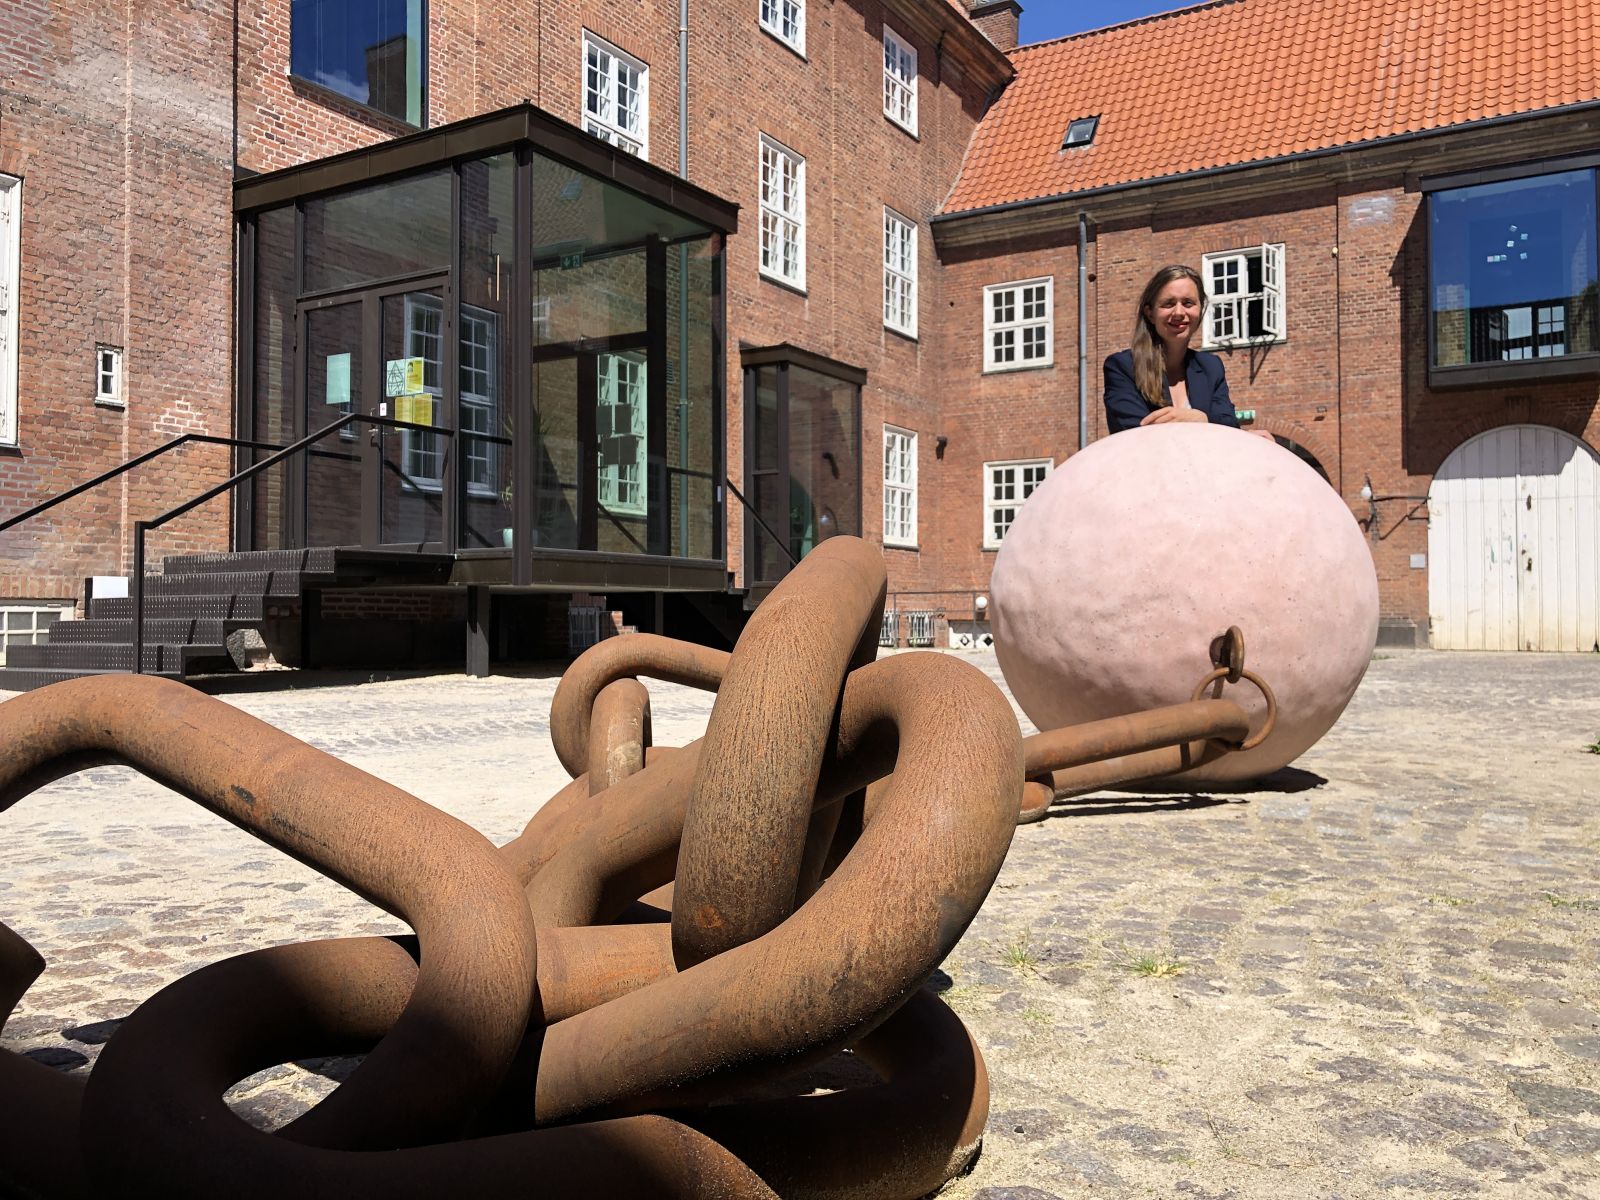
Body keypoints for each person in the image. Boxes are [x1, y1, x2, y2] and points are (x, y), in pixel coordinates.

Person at [1103, 265, 1241, 434]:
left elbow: (1231, 425)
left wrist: (1201, 418)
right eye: (1168, 304)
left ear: (1200, 309)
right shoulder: (1123, 367)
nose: (1179, 312)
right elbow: (1136, 433)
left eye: (1188, 303)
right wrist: (1198, 423)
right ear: (1150, 313)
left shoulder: (1211, 367)